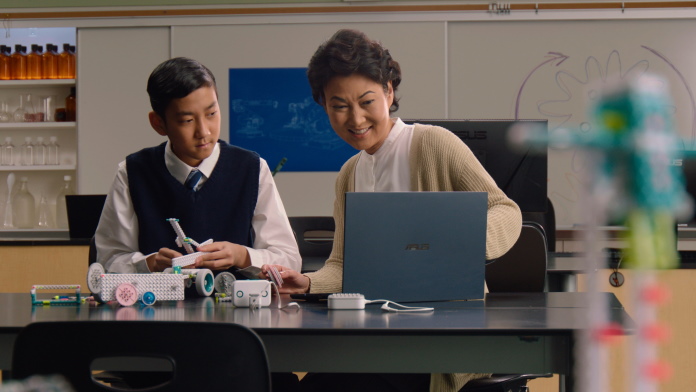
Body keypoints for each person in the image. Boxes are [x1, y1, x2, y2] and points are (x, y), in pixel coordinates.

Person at [263, 29, 522, 392]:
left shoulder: (433, 144)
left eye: (366, 101)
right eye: (339, 106)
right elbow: (342, 266)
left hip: (440, 339)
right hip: (373, 337)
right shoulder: (349, 174)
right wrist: (306, 282)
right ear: (324, 106)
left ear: (388, 91)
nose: (355, 119)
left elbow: (506, 211)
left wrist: (458, 242)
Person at [95, 57, 301, 276]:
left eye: (211, 114)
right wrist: (150, 263)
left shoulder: (252, 169)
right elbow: (107, 260)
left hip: (237, 306)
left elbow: (289, 260)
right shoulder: (132, 172)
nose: (204, 131)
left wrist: (242, 256)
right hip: (155, 307)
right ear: (158, 123)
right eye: (187, 120)